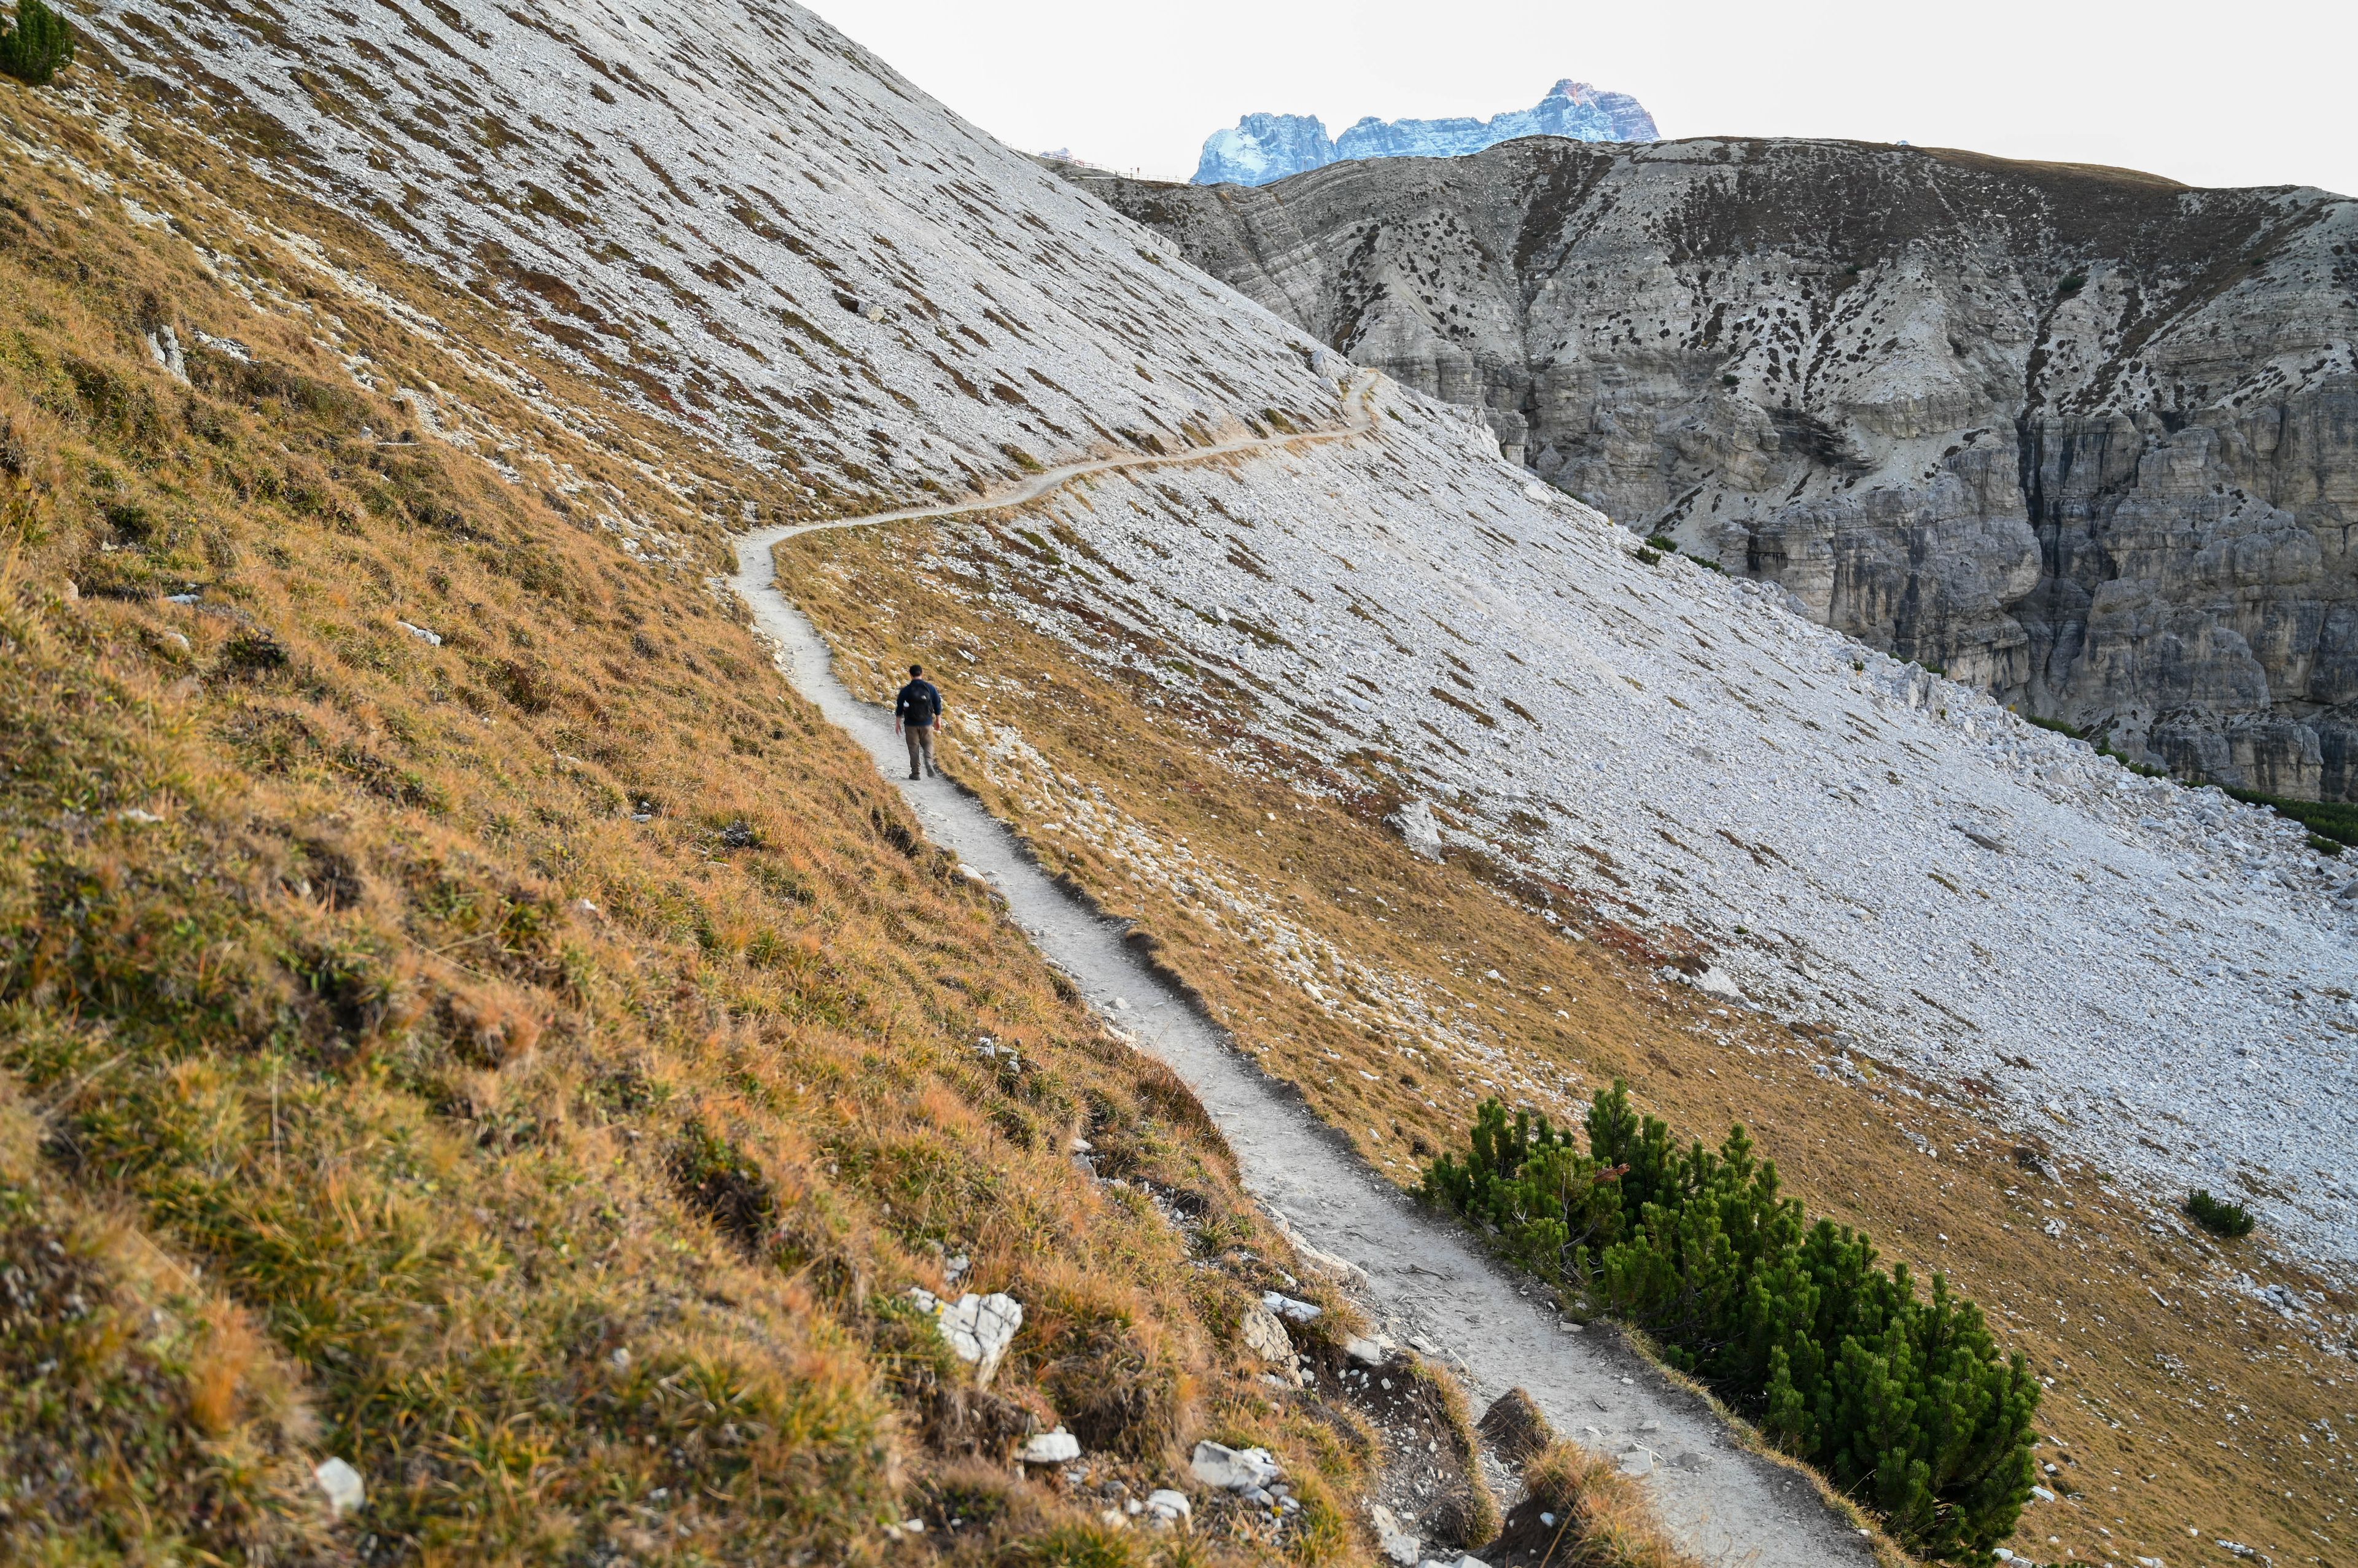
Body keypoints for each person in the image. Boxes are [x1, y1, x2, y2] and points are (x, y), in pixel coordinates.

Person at [893, 663, 943, 780]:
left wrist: (898, 723)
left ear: (910, 675)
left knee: (913, 748)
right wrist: (938, 720)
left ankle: (916, 773)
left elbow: (900, 707)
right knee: (928, 744)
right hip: (927, 723)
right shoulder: (930, 688)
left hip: (910, 724)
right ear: (922, 673)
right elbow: (937, 704)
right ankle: (929, 761)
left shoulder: (906, 690)